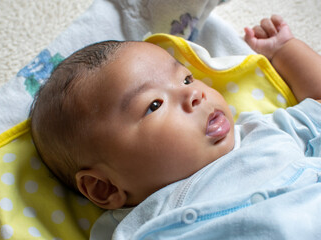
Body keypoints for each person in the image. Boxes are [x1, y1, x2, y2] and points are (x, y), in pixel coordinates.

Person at [30, 15, 321, 239]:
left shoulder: (265, 133)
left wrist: (284, 50)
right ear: (103, 187)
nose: (194, 94)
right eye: (154, 104)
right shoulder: (133, 229)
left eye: (186, 79)